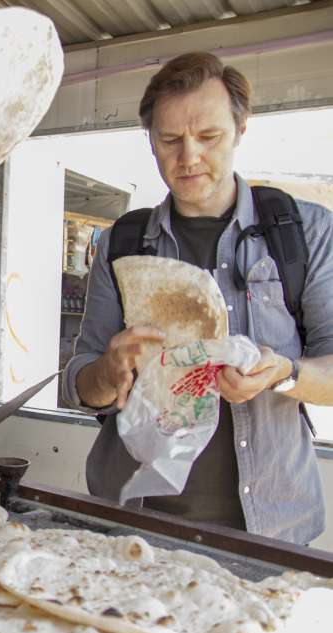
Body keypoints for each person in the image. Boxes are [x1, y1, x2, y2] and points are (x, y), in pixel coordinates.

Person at [62, 52, 333, 544]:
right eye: (169, 140)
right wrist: (107, 371)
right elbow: (80, 381)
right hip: (134, 523)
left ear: (241, 128)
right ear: (150, 141)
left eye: (208, 137)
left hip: (272, 529)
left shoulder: (303, 233)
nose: (188, 157)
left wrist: (287, 374)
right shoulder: (123, 244)